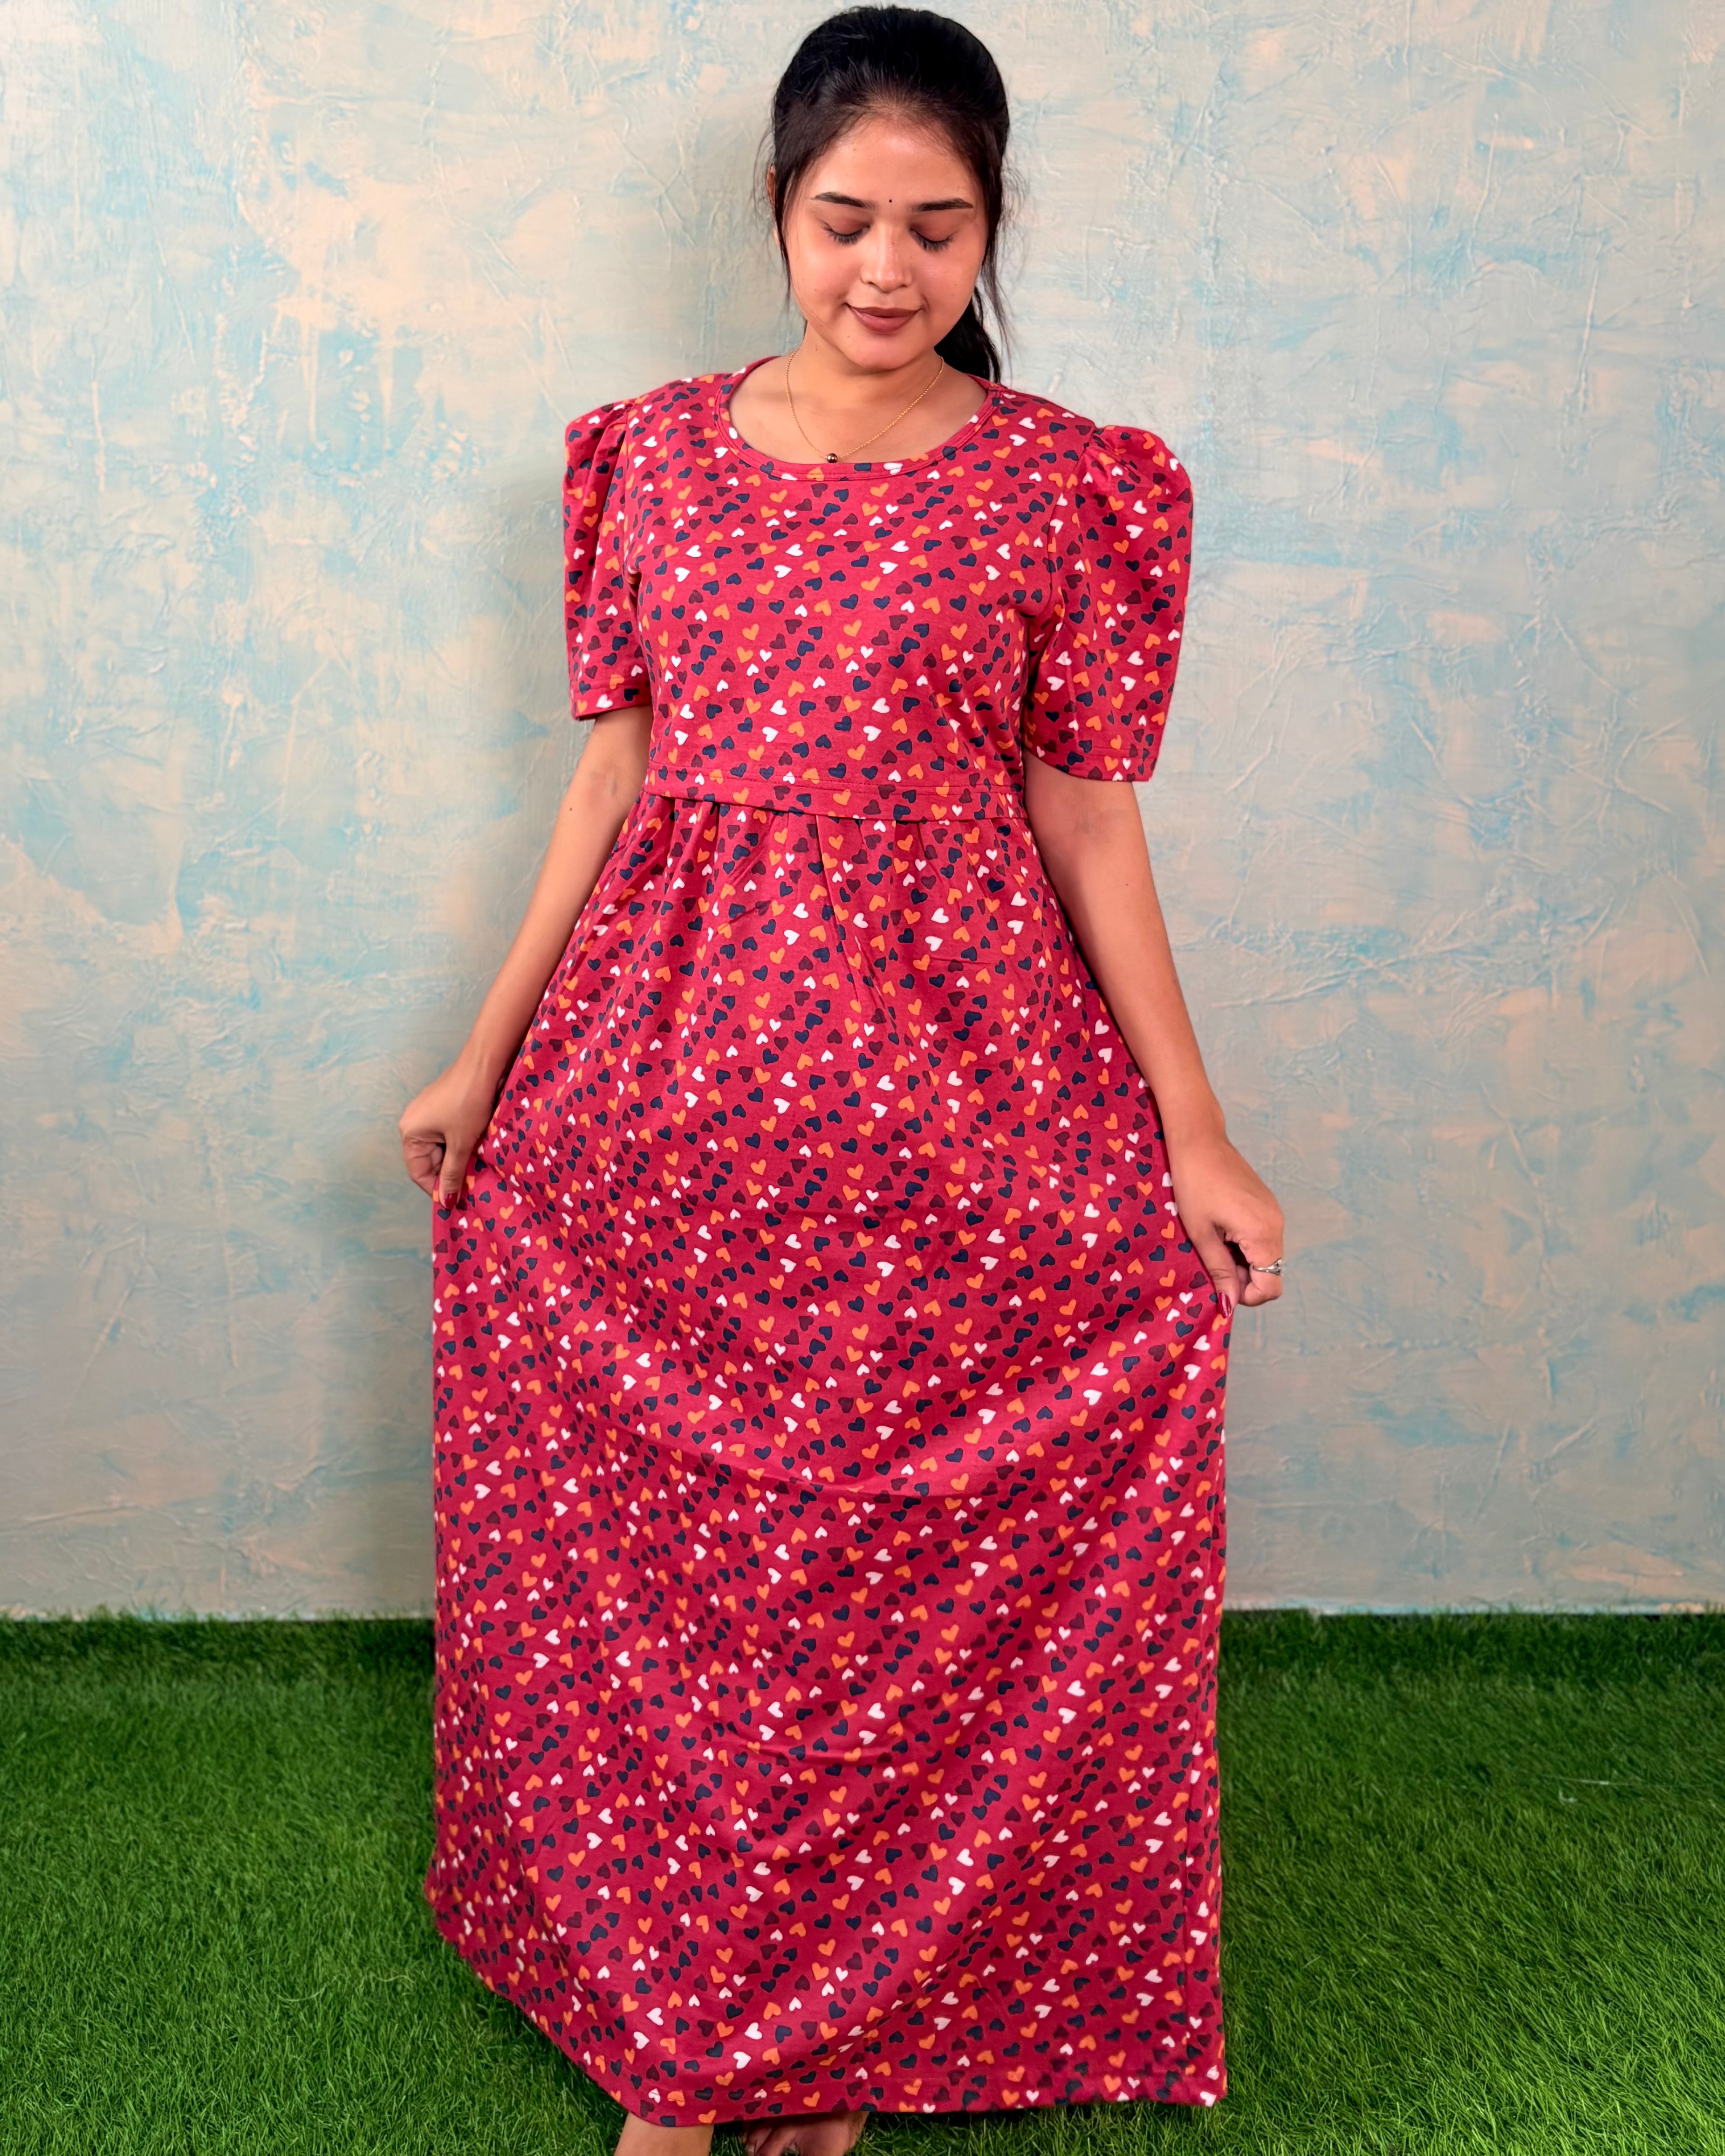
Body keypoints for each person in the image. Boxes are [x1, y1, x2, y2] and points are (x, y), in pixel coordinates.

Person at [398, 9, 1283, 2154]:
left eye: (935, 226)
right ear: (778, 214)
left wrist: (1190, 1124)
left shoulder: (1067, 482)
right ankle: (697, 2038)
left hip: (955, 1101)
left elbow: (1083, 813)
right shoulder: (647, 457)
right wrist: (481, 1051)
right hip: (664, 1092)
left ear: (991, 228)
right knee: (689, 1569)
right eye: (844, 219)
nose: (886, 268)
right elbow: (613, 773)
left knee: (891, 1577)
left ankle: (840, 2035)